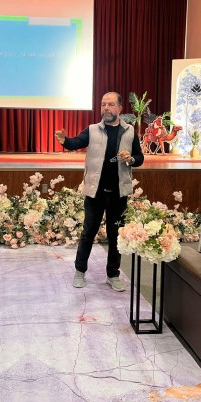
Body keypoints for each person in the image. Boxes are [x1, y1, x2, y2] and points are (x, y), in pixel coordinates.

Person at [55, 92, 145, 291]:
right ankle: (80, 271)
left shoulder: (129, 131)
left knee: (115, 236)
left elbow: (140, 158)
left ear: (120, 108)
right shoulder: (92, 129)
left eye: (110, 104)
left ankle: (113, 275)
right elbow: (76, 142)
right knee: (88, 233)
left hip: (118, 193)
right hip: (95, 192)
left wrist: (131, 159)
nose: (106, 108)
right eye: (103, 104)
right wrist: (64, 140)